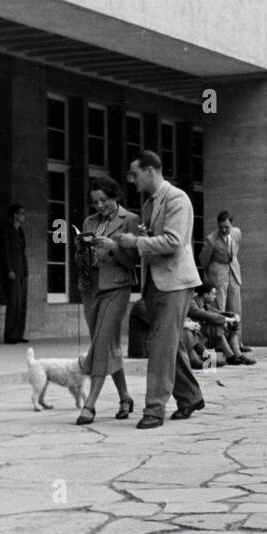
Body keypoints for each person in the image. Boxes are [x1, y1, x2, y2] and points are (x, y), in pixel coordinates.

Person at [114, 151, 205, 428]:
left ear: (151, 170)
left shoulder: (177, 199)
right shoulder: (150, 204)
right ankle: (189, 396)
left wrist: (135, 243)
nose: (131, 180)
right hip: (155, 282)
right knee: (167, 343)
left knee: (162, 345)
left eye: (135, 173)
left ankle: (154, 409)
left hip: (175, 282)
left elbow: (174, 241)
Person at [75, 178, 139, 424]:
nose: (99, 206)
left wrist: (113, 247)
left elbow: (132, 260)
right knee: (107, 345)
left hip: (117, 287)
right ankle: (125, 398)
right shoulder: (89, 222)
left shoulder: (130, 220)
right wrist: (80, 249)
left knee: (101, 344)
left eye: (104, 200)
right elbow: (80, 261)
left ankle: (90, 405)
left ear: (116, 197)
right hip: (91, 289)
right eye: (95, 202)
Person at [199, 211, 244, 340]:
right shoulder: (211, 240)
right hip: (218, 275)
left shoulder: (237, 233)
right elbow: (203, 259)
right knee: (220, 308)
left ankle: (238, 343)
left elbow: (235, 250)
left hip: (234, 273)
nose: (224, 230)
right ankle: (219, 341)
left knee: (236, 308)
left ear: (232, 225)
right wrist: (212, 274)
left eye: (227, 227)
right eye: (221, 227)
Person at [188, 286, 256, 365]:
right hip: (195, 339)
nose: (215, 296)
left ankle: (238, 355)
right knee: (216, 326)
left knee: (228, 325)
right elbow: (208, 316)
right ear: (205, 294)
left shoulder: (203, 304)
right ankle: (230, 357)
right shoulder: (192, 304)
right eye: (213, 294)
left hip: (204, 336)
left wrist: (232, 316)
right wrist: (227, 320)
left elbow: (217, 312)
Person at [0, 204, 28, 343]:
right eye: (21, 213)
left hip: (22, 270)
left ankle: (18, 334)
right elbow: (4, 251)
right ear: (15, 215)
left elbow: (22, 252)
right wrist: (9, 269)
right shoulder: (7, 230)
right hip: (13, 270)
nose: (23, 215)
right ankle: (9, 335)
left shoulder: (20, 231)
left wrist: (25, 270)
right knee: (13, 303)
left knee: (22, 303)